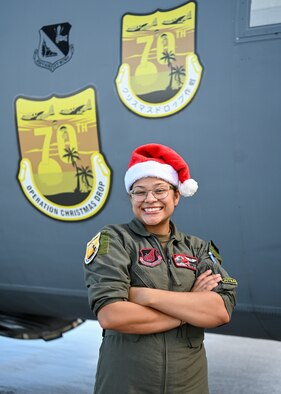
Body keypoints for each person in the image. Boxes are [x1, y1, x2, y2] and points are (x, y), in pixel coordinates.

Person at [83, 143, 237, 394]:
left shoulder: (198, 248)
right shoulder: (114, 240)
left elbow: (220, 311)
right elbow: (112, 315)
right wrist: (190, 306)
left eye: (160, 190)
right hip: (126, 384)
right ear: (131, 198)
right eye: (139, 192)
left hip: (188, 384)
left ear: (176, 196)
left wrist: (145, 295)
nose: (150, 199)